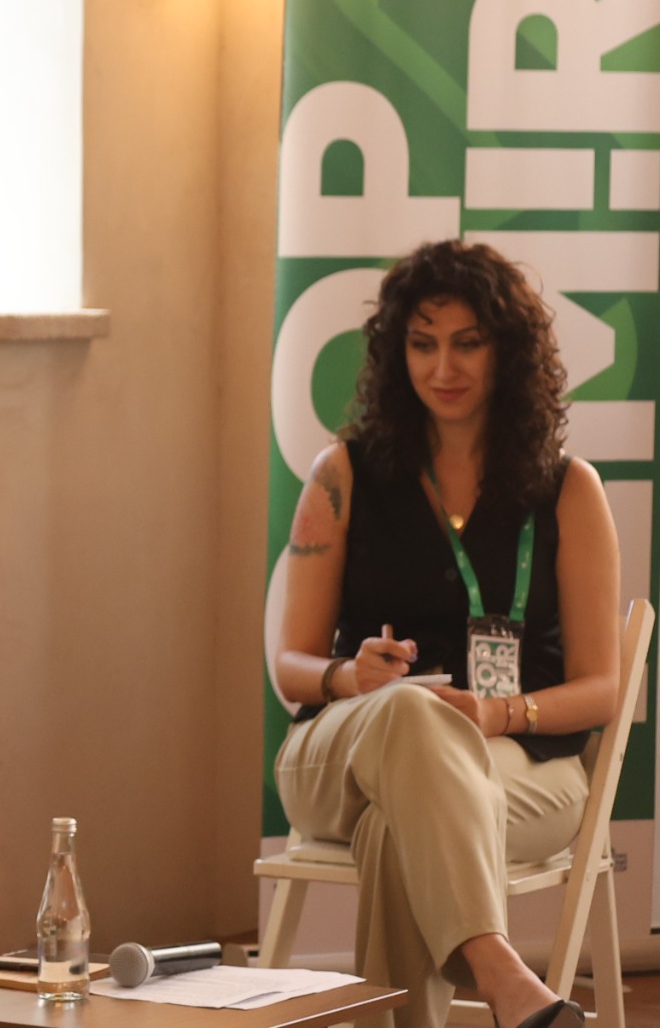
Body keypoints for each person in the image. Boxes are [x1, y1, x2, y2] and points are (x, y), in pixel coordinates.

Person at [265, 239, 623, 1028]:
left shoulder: (569, 489)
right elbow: (288, 665)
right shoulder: (342, 473)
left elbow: (602, 688)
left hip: (520, 760)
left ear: (508, 352)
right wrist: (347, 676)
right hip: (344, 751)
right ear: (398, 355)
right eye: (422, 345)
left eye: (468, 343)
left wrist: (498, 713)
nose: (443, 367)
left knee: (400, 827)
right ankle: (501, 973)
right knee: (408, 711)